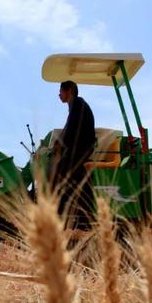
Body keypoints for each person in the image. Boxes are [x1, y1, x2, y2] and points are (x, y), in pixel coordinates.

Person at [52, 80, 96, 230]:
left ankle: (64, 215)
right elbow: (68, 128)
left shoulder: (77, 104)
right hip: (80, 148)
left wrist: (60, 145)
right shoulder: (76, 105)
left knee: (60, 174)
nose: (59, 94)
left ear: (69, 90)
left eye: (61, 91)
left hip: (81, 149)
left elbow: (70, 131)